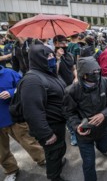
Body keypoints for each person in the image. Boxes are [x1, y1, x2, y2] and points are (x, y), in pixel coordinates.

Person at [64, 56, 107, 181]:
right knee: (89, 164)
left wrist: (103, 114)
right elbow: (69, 113)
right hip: (84, 135)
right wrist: (76, 126)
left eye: (97, 71)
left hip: (103, 129)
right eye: (92, 73)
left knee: (104, 147)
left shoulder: (106, 82)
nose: (96, 75)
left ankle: (103, 149)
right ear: (83, 75)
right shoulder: (71, 91)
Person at [20, 45, 67, 181]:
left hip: (57, 123)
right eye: (48, 56)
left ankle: (58, 163)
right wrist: (46, 134)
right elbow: (32, 112)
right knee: (53, 154)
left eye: (52, 55)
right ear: (38, 59)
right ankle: (54, 176)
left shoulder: (47, 72)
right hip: (49, 127)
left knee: (58, 150)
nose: (52, 58)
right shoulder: (32, 80)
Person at [0, 65, 45, 181]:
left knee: (28, 141)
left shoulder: (9, 73)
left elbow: (24, 87)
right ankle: (11, 170)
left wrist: (11, 92)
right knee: (1, 151)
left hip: (14, 117)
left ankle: (42, 159)